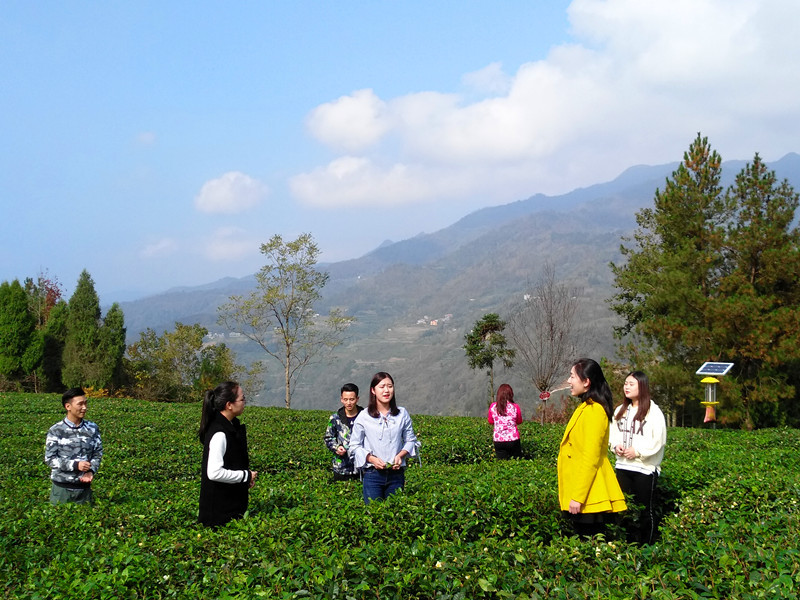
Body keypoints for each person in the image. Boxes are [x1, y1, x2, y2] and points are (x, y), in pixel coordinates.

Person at [557, 358, 627, 536]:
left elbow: (591, 457)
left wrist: (578, 497)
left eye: (572, 377)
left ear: (586, 382)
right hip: (584, 492)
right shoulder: (586, 407)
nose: (569, 381)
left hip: (590, 496)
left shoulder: (595, 410)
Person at [609, 371, 667, 544]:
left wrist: (638, 451)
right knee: (623, 509)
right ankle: (626, 544)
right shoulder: (621, 410)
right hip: (623, 466)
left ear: (642, 386)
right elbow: (613, 434)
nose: (626, 387)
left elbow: (658, 440)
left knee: (644, 510)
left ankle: (646, 546)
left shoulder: (653, 412)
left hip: (645, 469)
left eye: (631, 384)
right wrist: (615, 446)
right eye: (625, 383)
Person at [349, 372, 419, 504]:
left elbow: (411, 440)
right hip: (372, 475)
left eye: (390, 386)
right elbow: (354, 445)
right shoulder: (364, 416)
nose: (386, 390)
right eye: (382, 387)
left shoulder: (402, 414)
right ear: (373, 390)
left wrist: (401, 455)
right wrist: (371, 459)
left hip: (396, 475)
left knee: (396, 513)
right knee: (374, 516)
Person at [198, 381, 257, 528]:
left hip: (229, 510)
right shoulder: (219, 433)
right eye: (242, 399)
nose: (244, 402)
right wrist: (245, 476)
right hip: (218, 517)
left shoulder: (230, 426)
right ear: (229, 405)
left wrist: (243, 479)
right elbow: (214, 473)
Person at [44, 387, 103, 505]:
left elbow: (98, 453)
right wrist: (75, 465)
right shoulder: (56, 430)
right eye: (80, 404)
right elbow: (50, 459)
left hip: (84, 491)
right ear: (68, 406)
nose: (84, 407)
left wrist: (91, 470)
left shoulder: (92, 428)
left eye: (85, 403)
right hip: (61, 491)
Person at [324, 382, 365, 481]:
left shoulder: (365, 417)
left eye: (352, 399)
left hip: (362, 467)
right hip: (341, 468)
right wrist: (337, 447)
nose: (348, 403)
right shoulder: (335, 418)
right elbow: (328, 438)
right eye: (345, 399)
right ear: (341, 399)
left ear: (357, 399)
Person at [488, 383, 523, 459]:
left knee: (502, 464)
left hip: (498, 440)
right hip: (513, 439)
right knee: (516, 463)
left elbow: (490, 421)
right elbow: (519, 421)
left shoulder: (493, 406)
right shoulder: (515, 407)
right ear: (511, 394)